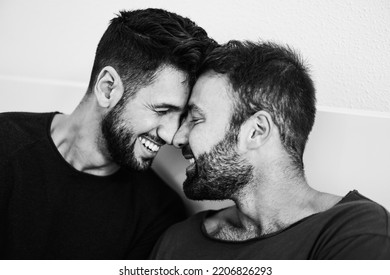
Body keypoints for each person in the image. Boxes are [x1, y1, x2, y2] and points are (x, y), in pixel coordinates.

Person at [0, 8, 216, 259]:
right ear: (107, 88)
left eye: (179, 118)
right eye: (161, 110)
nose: (171, 136)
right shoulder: (5, 143)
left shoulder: (158, 213)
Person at [150, 41, 390, 259]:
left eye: (196, 119)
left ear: (256, 131)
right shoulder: (178, 240)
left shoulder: (353, 230)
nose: (177, 138)